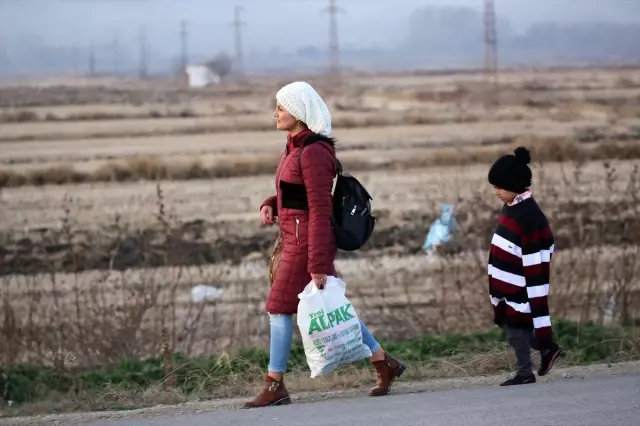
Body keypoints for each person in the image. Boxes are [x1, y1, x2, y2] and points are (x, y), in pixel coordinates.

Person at [244, 81, 406, 408]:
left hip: (307, 243)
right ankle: (383, 361)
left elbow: (319, 208)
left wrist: (317, 263)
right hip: (294, 237)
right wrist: (272, 203)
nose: (275, 113)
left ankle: (275, 385)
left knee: (278, 307)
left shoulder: (315, 152)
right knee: (334, 306)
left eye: (282, 107)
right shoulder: (294, 146)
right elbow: (295, 193)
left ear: (300, 112)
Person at [487, 146, 564, 386]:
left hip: (520, 286)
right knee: (519, 329)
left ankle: (525, 372)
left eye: (500, 187)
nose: (496, 193)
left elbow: (534, 261)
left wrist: (531, 293)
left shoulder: (528, 215)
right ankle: (546, 347)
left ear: (515, 186)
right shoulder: (512, 207)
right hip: (508, 285)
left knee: (515, 332)